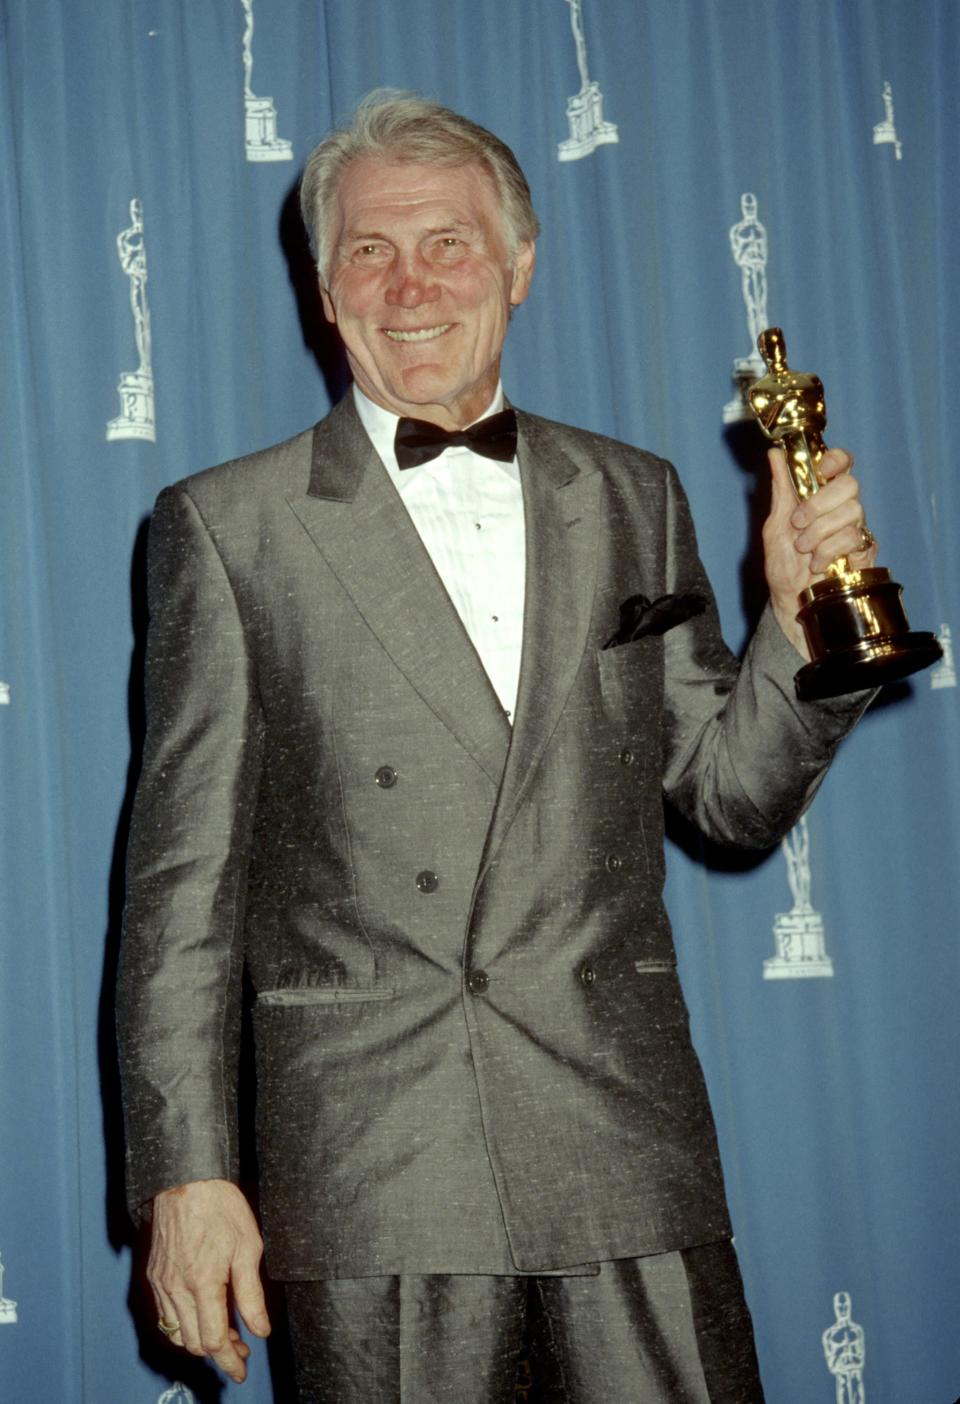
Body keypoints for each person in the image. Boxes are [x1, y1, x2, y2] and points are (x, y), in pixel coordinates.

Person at [117, 92, 876, 1402]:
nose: (409, 281)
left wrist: (804, 637)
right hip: (372, 1171)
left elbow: (725, 799)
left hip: (621, 1143)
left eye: (450, 243)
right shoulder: (227, 529)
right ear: (322, 288)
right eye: (369, 249)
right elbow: (181, 891)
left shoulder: (633, 495)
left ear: (521, 266)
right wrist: (188, 1171)